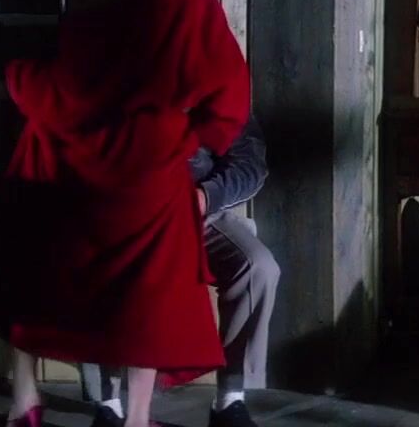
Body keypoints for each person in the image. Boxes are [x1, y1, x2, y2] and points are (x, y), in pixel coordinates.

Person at [0, 0, 249, 426]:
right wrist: (192, 136)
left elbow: (69, 82)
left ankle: (24, 400)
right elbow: (228, 90)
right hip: (149, 166)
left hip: (81, 161)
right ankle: (135, 418)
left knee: (49, 274)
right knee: (148, 299)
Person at [82, 117, 277, 427]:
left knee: (258, 267)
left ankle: (230, 399)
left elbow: (249, 163)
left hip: (197, 209)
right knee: (105, 267)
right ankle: (108, 404)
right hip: (125, 209)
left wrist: (204, 196)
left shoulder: (216, 92)